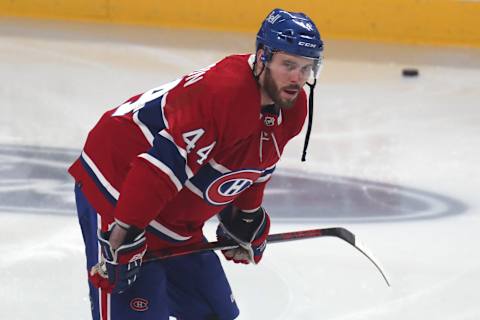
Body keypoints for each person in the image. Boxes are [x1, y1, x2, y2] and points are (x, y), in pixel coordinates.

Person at [69, 7, 324, 320]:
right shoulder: (223, 94)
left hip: (170, 211)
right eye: (288, 64)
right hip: (119, 185)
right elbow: (160, 168)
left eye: (306, 67)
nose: (298, 78)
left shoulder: (292, 109)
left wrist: (246, 214)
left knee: (212, 313)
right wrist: (123, 235)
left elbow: (256, 166)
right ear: (262, 57)